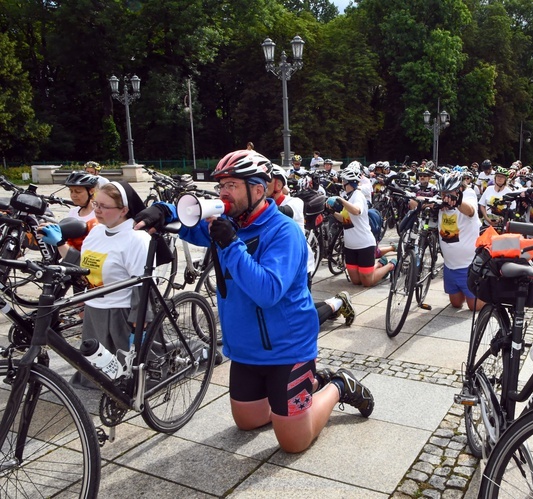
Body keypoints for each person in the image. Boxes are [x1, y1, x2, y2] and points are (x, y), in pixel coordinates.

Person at [133, 149, 374, 453]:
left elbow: (267, 291)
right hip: (247, 350)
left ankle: (339, 385)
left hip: (288, 348)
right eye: (221, 185)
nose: (223, 192)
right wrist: (163, 211)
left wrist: (231, 245)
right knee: (247, 422)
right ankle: (308, 385)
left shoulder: (284, 232)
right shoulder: (230, 223)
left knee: (293, 442)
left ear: (258, 189)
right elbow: (191, 223)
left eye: (232, 185)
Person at [42, 182, 152, 389]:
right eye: (96, 204)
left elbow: (143, 284)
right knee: (95, 371)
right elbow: (85, 267)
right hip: (94, 309)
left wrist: (140, 322)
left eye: (104, 206)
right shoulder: (96, 231)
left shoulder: (137, 239)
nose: (97, 210)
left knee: (128, 377)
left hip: (120, 313)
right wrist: (59, 244)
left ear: (124, 210)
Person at [266, 164, 356, 326]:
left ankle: (338, 303)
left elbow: (279, 211)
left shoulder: (294, 203)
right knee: (283, 313)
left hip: (299, 267)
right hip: (277, 267)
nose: (260, 184)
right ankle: (334, 302)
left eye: (266, 180)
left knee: (298, 321)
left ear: (278, 185)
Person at [329, 163, 394, 287]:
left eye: (343, 181)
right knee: (356, 281)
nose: (342, 183)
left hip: (364, 244)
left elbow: (356, 211)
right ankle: (379, 264)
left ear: (348, 182)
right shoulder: (347, 197)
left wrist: (340, 200)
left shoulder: (357, 195)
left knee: (367, 282)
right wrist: (332, 212)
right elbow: (345, 219)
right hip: (350, 246)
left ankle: (391, 265)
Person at [436, 172, 483, 310]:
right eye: (443, 193)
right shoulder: (441, 201)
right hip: (450, 266)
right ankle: (467, 292)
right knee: (456, 304)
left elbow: (470, 210)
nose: (446, 196)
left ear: (459, 189)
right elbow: (416, 202)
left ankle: (489, 293)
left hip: (468, 265)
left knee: (475, 307)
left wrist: (457, 202)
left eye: (449, 192)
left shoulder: (468, 195)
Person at [60, 171, 100, 251]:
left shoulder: (99, 212)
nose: (73, 195)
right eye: (71, 191)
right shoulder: (73, 212)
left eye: (78, 191)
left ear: (91, 191)